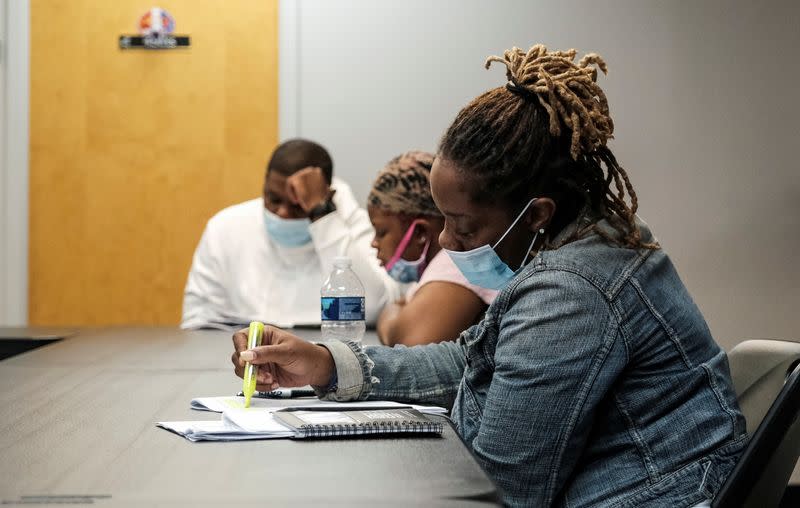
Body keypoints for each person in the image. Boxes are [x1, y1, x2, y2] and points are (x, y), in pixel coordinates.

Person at [230, 46, 746, 506]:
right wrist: (323, 364)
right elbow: (475, 360)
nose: (448, 243)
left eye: (463, 224)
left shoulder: (570, 290)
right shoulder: (594, 235)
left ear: (537, 213)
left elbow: (504, 487)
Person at [182, 138, 401, 329]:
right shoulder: (225, 227)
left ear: (328, 195)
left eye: (298, 205)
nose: (283, 213)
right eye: (274, 200)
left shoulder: (353, 226)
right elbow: (199, 319)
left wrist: (323, 218)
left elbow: (371, 308)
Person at [367, 151, 496, 346]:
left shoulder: (455, 264)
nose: (374, 243)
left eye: (381, 232)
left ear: (420, 233)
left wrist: (393, 314)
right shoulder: (439, 266)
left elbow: (406, 346)